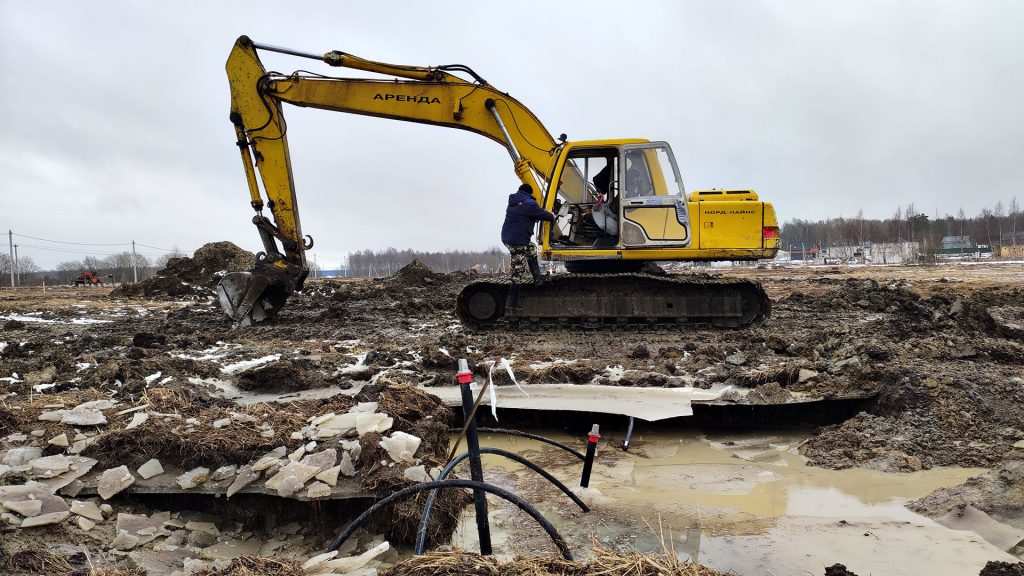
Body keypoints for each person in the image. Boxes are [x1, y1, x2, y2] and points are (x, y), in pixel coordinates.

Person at [501, 182, 555, 310]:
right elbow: (543, 215)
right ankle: (511, 303)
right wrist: (552, 215)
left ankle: (537, 279)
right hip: (516, 241)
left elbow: (530, 214)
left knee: (531, 248)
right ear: (529, 193)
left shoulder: (516, 201)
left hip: (514, 237)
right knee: (518, 271)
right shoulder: (528, 203)